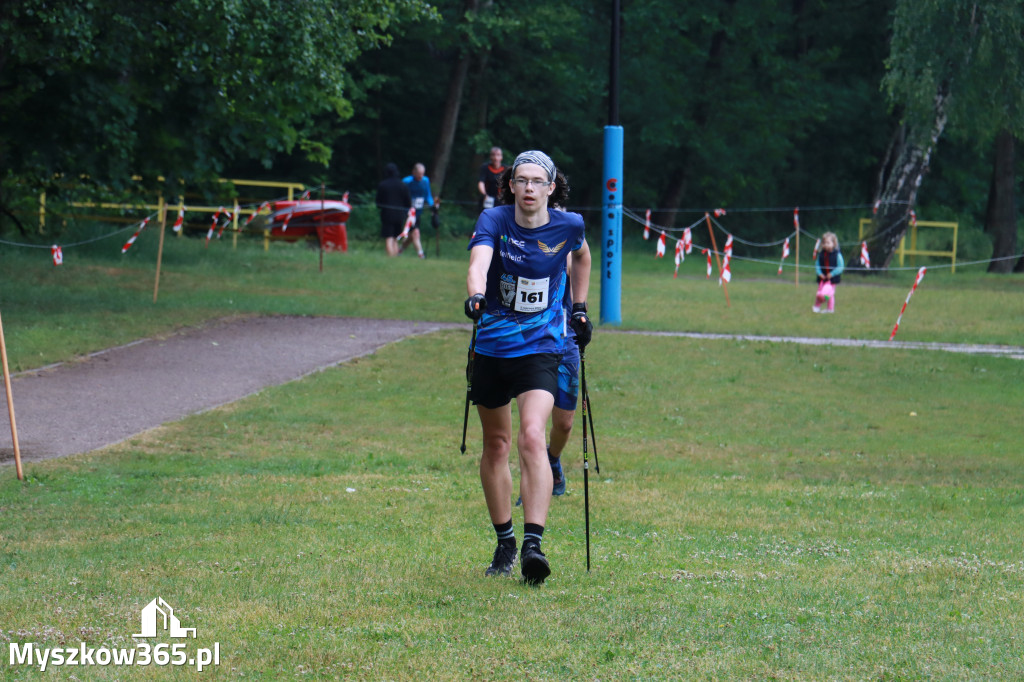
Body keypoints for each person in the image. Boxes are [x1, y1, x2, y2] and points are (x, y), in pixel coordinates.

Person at [464, 150, 592, 585]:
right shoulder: (496, 221)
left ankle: (534, 545)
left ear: (551, 187)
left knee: (533, 435)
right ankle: (505, 542)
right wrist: (476, 293)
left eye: (538, 181)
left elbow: (582, 258)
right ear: (511, 185)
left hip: (541, 346)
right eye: (522, 181)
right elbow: (479, 260)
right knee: (496, 444)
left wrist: (579, 307)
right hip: (493, 347)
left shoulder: (569, 225)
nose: (530, 189)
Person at [376, 162, 412, 257]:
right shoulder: (402, 185)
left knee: (389, 237)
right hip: (400, 215)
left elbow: (378, 202)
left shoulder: (383, 185)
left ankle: (390, 257)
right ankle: (395, 257)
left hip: (387, 214)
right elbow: (408, 203)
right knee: (396, 237)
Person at [401, 163, 437, 258]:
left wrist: (432, 205)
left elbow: (427, 194)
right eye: (419, 174)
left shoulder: (425, 181)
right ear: (414, 172)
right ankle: (421, 255)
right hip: (408, 212)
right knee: (416, 232)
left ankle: (399, 251)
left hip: (418, 212)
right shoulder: (406, 181)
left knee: (412, 235)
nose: (420, 176)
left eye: (422, 174)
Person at [813, 231, 845, 313]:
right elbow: (817, 265)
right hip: (822, 278)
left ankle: (828, 308)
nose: (826, 245)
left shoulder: (837, 254)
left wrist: (832, 274)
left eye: (828, 243)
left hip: (832, 279)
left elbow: (840, 267)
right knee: (821, 292)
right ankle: (819, 307)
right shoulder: (821, 254)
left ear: (834, 243)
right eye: (824, 243)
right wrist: (819, 273)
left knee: (826, 294)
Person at [477, 146, 505, 212]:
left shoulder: (506, 169)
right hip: (487, 198)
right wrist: (484, 194)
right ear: (490, 157)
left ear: (501, 157)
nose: (496, 158)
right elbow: (481, 182)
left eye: (498, 155)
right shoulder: (485, 167)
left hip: (500, 200)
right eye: (493, 155)